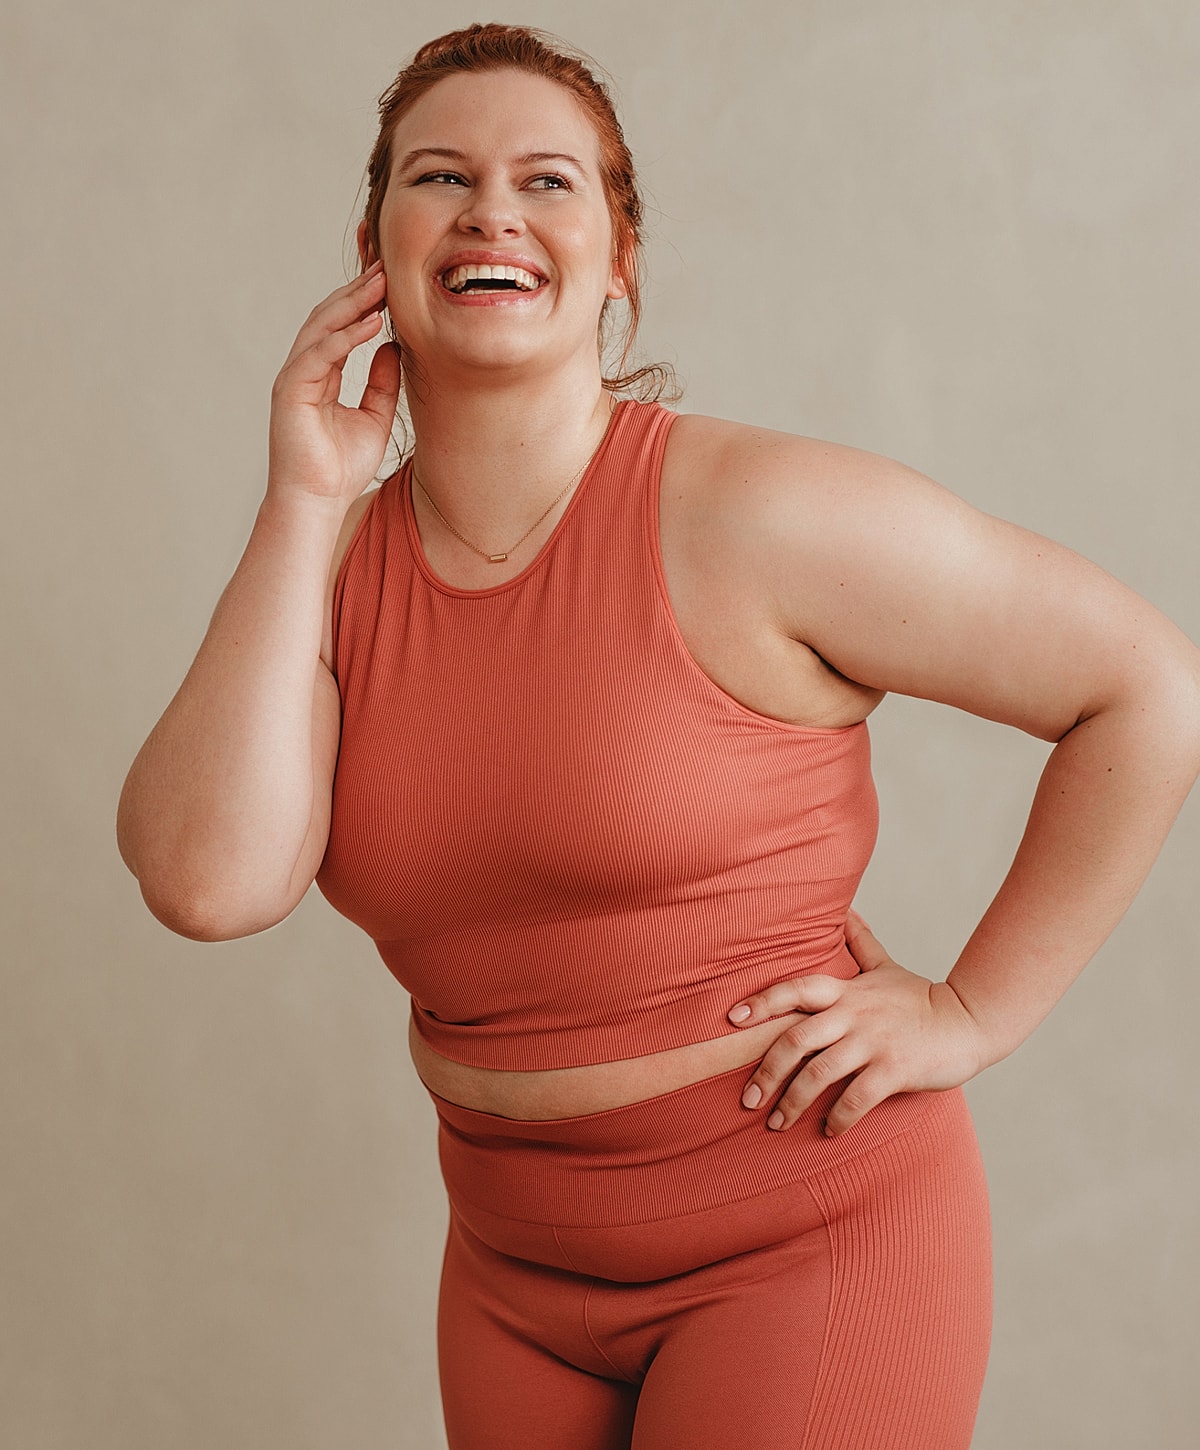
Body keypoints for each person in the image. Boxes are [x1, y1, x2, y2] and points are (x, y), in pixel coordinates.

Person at [116, 22, 1200, 1450]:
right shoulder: (325, 568)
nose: (493, 208)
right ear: (373, 246)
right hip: (511, 1272)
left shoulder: (752, 513)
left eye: (548, 181)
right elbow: (209, 881)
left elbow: (1143, 682)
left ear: (620, 254)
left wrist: (973, 1012)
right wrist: (303, 495)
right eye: (441, 176)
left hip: (807, 1234)